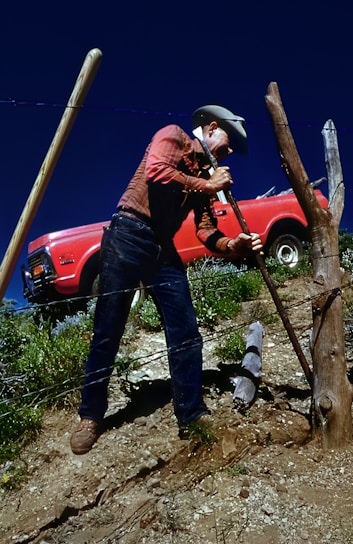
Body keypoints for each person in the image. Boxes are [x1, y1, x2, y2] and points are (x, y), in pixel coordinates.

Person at [70, 104, 263, 455]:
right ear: (212, 127)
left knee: (185, 330)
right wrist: (208, 183)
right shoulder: (174, 136)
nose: (230, 150)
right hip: (129, 232)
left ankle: (191, 414)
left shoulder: (206, 174)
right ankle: (91, 415)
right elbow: (158, 171)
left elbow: (206, 231)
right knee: (108, 326)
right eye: (229, 140)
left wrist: (233, 245)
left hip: (162, 248)